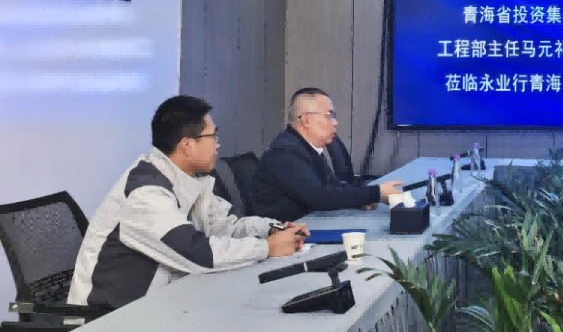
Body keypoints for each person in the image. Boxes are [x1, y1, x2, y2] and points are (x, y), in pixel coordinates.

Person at [68, 96, 308, 310]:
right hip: (112, 317)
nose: (217, 144)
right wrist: (266, 248)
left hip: (160, 304)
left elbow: (226, 226)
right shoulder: (145, 193)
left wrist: (271, 229)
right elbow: (196, 253)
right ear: (187, 145)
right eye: (213, 136)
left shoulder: (185, 180)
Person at [250, 87, 404, 221]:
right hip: (282, 236)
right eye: (329, 115)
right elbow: (319, 196)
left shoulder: (305, 147)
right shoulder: (284, 153)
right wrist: (376, 192)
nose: (335, 122)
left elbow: (332, 186)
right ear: (306, 120)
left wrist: (359, 200)